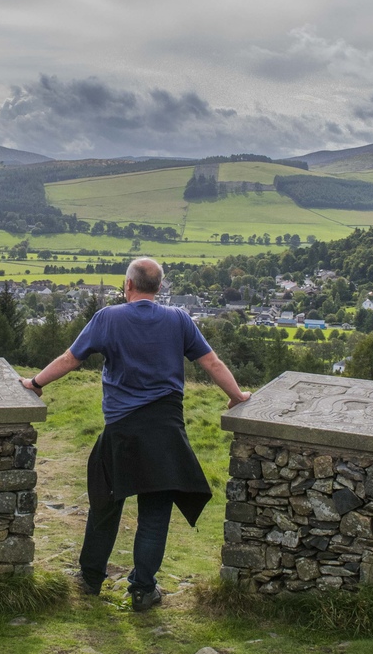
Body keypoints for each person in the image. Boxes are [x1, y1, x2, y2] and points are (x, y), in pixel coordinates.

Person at [21, 257, 250, 611]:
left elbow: (71, 359)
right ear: (159, 288)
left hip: (122, 431)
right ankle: (143, 590)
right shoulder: (179, 319)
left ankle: (91, 580)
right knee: (155, 514)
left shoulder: (108, 318)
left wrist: (34, 384)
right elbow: (212, 364)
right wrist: (237, 397)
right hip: (166, 431)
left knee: (105, 504)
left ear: (127, 285)